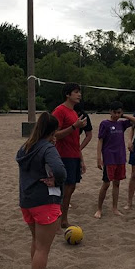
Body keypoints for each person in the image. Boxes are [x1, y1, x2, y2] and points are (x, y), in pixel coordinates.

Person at [16, 112, 67, 269]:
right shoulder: (47, 148)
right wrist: (57, 181)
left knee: (36, 243)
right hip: (44, 202)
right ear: (53, 130)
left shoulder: (25, 147)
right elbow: (61, 170)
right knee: (43, 248)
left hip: (27, 201)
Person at [51, 83, 88, 228]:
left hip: (73, 155)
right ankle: (57, 220)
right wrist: (74, 127)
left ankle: (64, 219)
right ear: (68, 94)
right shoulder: (60, 111)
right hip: (62, 156)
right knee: (62, 190)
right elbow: (54, 135)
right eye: (76, 92)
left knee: (71, 188)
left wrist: (81, 159)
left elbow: (76, 140)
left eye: (79, 92)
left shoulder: (74, 112)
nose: (79, 95)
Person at [94, 101, 135, 218]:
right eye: (115, 112)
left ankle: (115, 207)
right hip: (109, 158)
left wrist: (122, 116)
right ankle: (99, 209)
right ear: (110, 112)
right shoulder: (105, 124)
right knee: (106, 183)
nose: (117, 114)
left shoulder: (121, 124)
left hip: (120, 157)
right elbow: (100, 140)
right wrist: (99, 157)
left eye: (119, 112)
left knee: (117, 183)